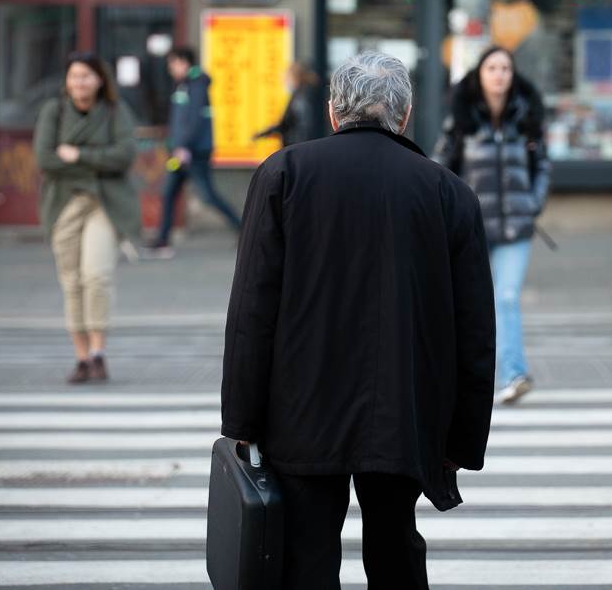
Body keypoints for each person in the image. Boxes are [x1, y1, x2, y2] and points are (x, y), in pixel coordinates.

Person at [220, 51, 495, 589]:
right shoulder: (448, 193)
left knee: (305, 555)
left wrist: (241, 422)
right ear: (405, 115)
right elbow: (475, 331)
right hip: (404, 406)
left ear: (332, 111)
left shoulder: (284, 174)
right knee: (395, 547)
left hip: (300, 407)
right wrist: (461, 441)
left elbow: (252, 310)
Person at [433, 46, 549, 406]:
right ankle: (460, 380)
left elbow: (542, 166)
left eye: (505, 68)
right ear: (479, 75)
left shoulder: (525, 118)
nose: (499, 74)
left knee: (507, 297)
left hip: (516, 228)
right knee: (468, 304)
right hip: (474, 229)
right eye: (492, 68)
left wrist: (533, 203)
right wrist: (451, 212)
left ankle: (514, 374)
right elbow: (440, 168)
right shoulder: (461, 120)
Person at [34, 52, 141, 384]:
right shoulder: (54, 111)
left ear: (99, 80)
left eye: (86, 76)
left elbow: (125, 156)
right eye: (74, 76)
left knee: (97, 276)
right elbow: (45, 159)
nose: (79, 82)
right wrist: (98, 163)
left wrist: (78, 154)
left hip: (104, 203)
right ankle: (81, 357)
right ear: (66, 81)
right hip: (64, 204)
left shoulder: (115, 111)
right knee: (71, 281)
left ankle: (98, 354)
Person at [147, 46, 241, 258]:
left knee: (208, 196)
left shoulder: (197, 84)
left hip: (192, 153)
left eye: (173, 64)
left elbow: (194, 120)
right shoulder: (184, 84)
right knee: (168, 193)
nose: (171, 69)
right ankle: (162, 240)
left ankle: (244, 229)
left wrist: (183, 146)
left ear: (183, 62)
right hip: (180, 153)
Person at [253, 61, 320, 146]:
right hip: (298, 145)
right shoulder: (301, 94)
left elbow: (299, 126)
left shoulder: (301, 97)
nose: (283, 81)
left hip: (297, 146)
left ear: (294, 78)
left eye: (286, 78)